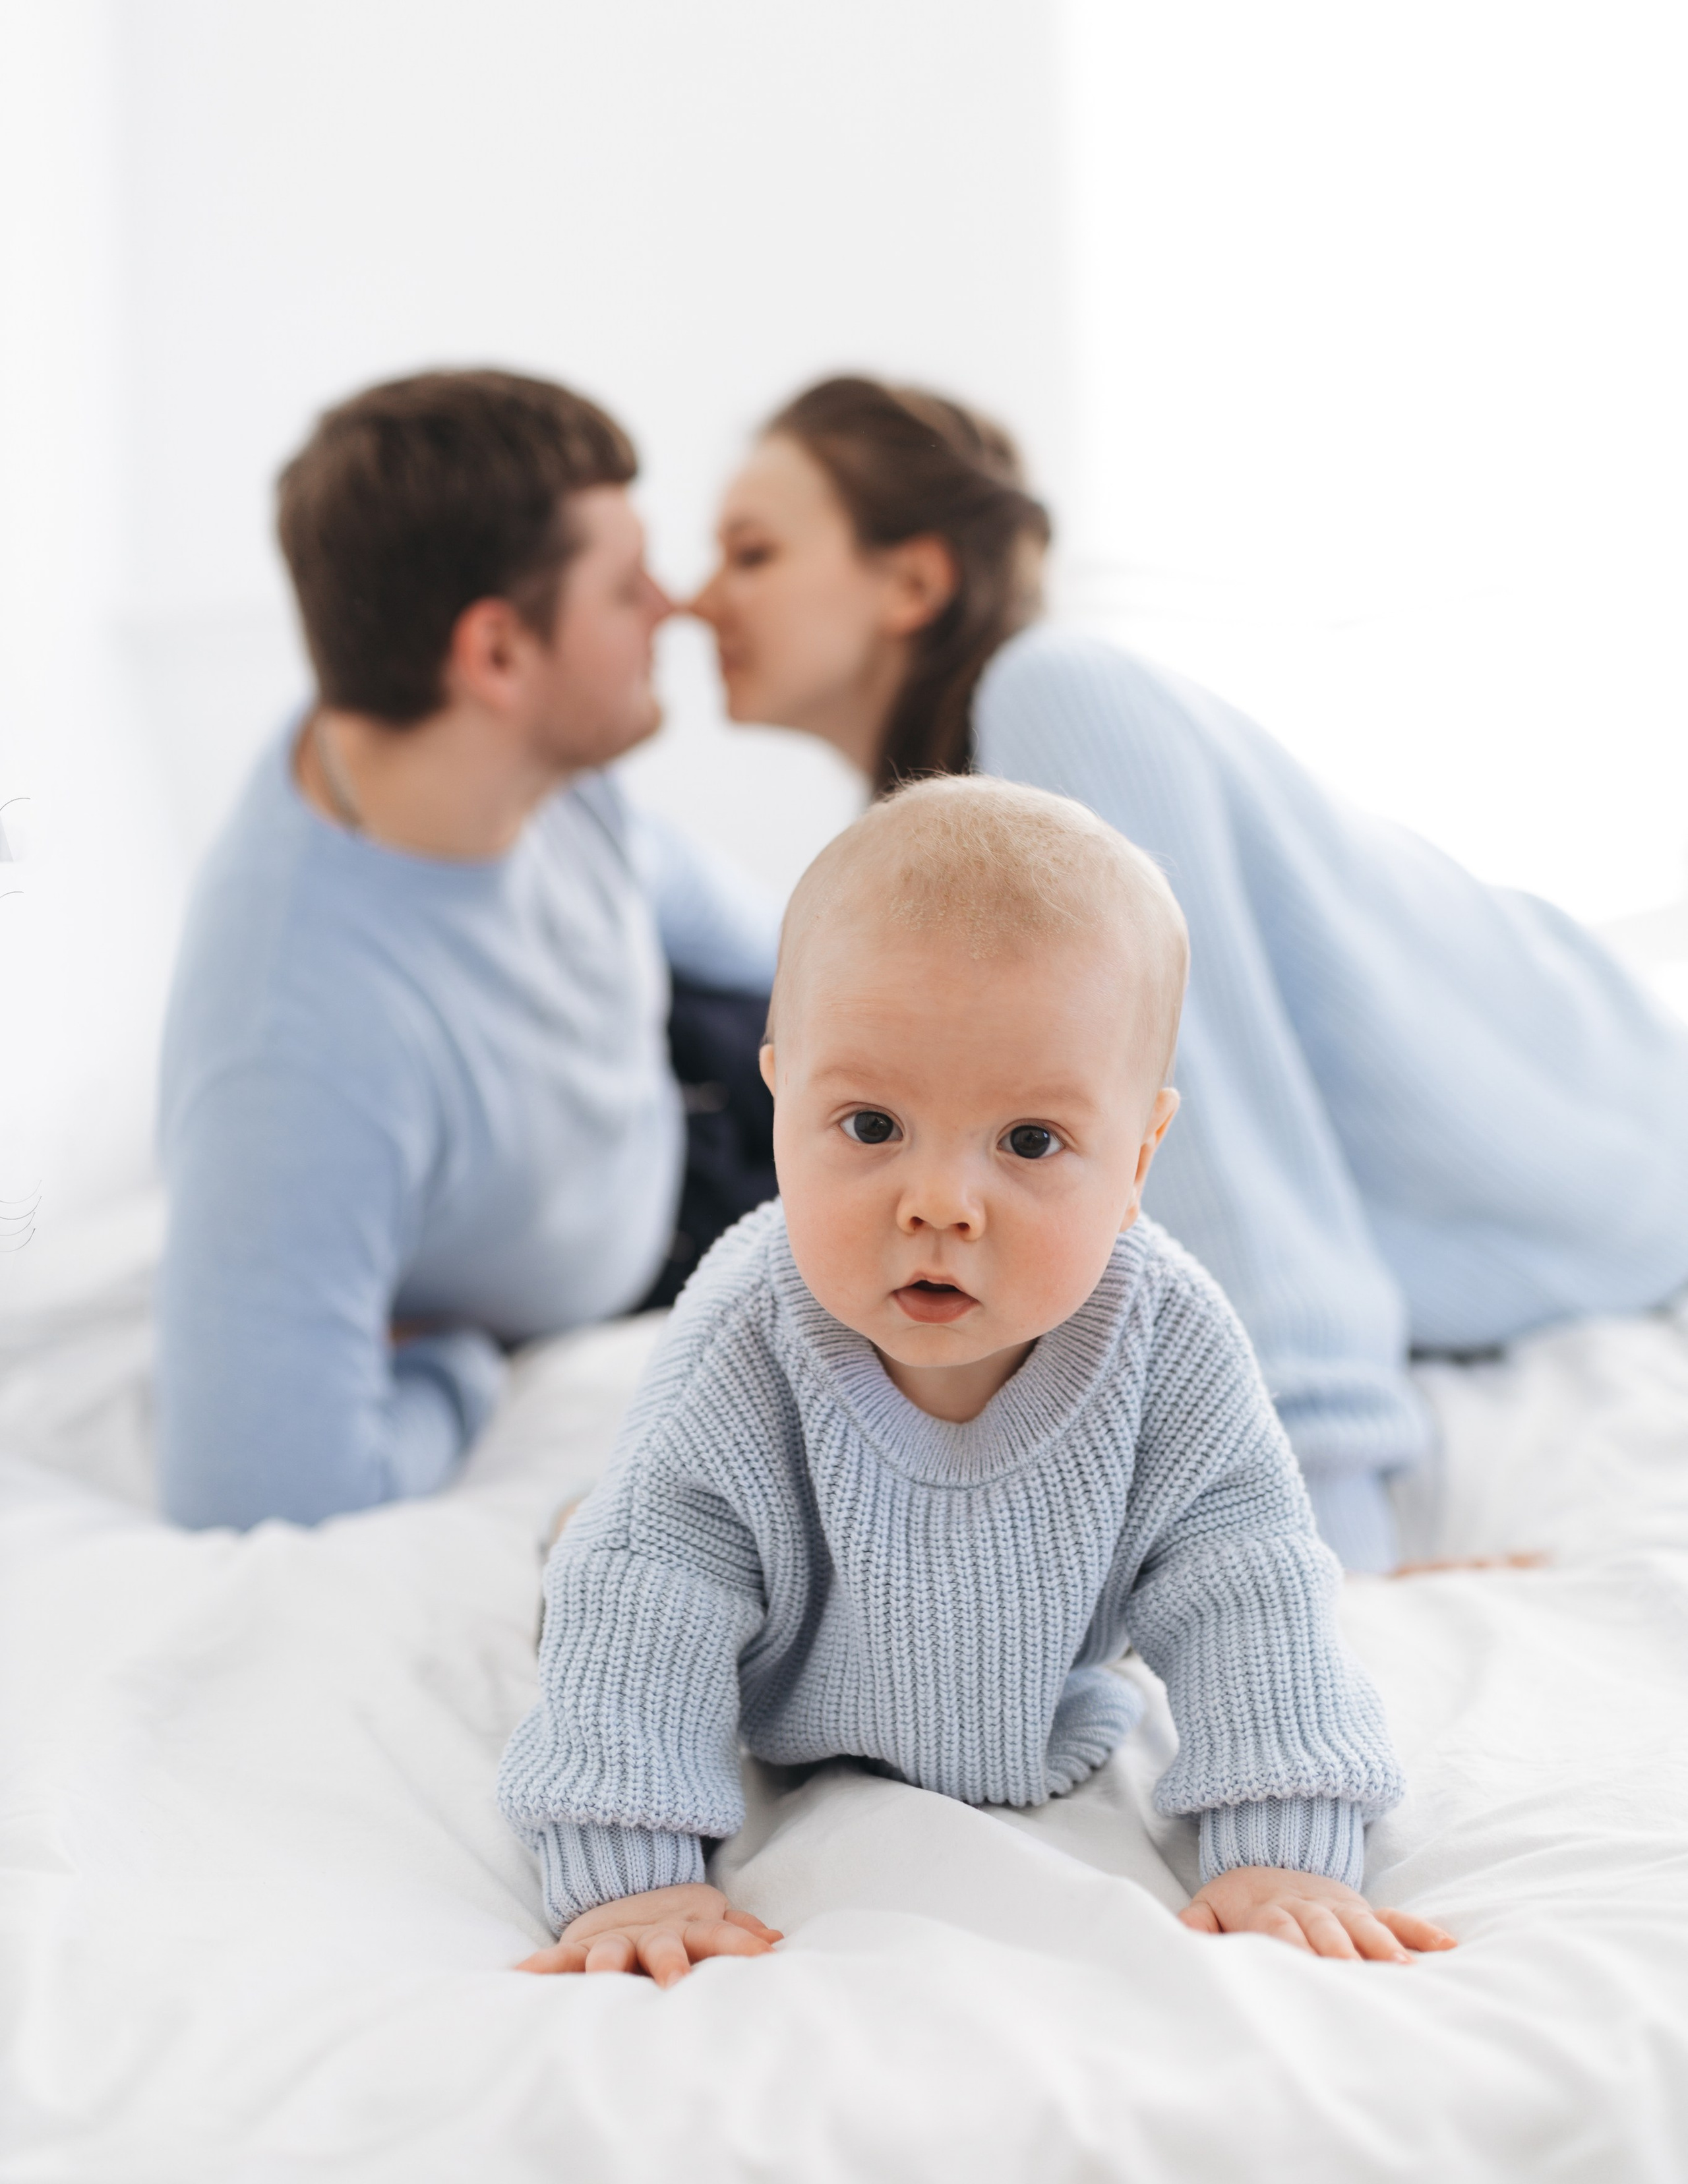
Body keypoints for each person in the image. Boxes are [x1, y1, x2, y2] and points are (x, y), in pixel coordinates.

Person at [688, 376, 1688, 1571]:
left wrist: (1322, 1544)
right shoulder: (952, 851)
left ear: (913, 581)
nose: (698, 601)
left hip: (1624, 1119)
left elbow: (1225, 1143)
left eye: (750, 554)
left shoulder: (1057, 694)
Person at [501, 777, 1456, 1984]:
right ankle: (578, 1521)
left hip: (1035, 1703)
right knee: (618, 1557)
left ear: (1139, 1158)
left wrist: (1282, 1845)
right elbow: (651, 1605)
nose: (941, 1202)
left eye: (1030, 1142)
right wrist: (633, 1872)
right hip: (784, 1679)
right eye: (869, 1126)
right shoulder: (744, 1342)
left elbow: (1247, 1584)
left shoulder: (1166, 1342)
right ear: (781, 1095)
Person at [156, 370, 779, 1529]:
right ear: (496, 654)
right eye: (624, 586)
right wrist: (461, 1362)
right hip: (650, 1251)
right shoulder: (298, 1057)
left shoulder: (541, 777)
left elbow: (780, 954)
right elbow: (255, 1497)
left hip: (699, 1086)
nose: (675, 606)